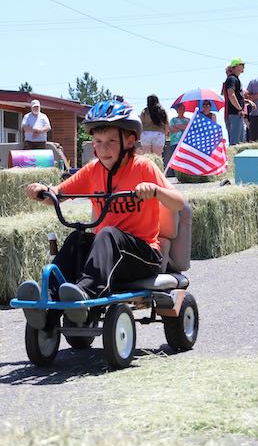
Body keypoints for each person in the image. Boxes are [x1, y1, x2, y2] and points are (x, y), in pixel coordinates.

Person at [19, 99, 185, 325]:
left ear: (129, 141)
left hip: (144, 255)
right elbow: (57, 194)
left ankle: (86, 293)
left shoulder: (143, 167)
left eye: (111, 141)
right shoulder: (92, 170)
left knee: (106, 233)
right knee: (78, 238)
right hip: (108, 253)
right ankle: (48, 297)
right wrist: (43, 191)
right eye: (98, 141)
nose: (103, 148)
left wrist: (155, 191)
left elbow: (178, 203)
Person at [224, 58, 247, 145]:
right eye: (242, 65)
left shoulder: (235, 79)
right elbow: (231, 95)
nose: (244, 67)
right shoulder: (232, 79)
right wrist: (240, 109)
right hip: (235, 113)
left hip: (236, 113)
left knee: (241, 140)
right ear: (236, 66)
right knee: (235, 141)